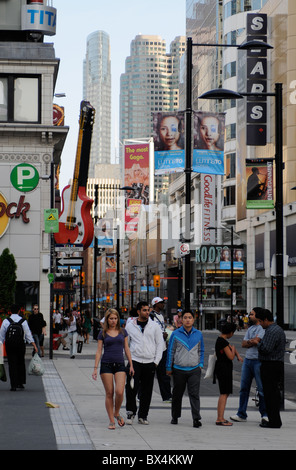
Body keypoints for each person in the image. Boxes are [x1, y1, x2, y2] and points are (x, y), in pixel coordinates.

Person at [92, 308, 134, 430]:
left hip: (120, 364)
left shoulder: (123, 332)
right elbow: (99, 351)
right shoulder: (103, 333)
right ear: (107, 319)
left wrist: (131, 365)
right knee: (109, 393)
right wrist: (95, 368)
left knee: (120, 392)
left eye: (115, 318)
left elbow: (127, 349)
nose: (113, 321)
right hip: (106, 364)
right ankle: (111, 420)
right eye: (111, 318)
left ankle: (116, 412)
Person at [125, 301, 163, 425]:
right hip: (134, 361)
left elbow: (160, 344)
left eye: (148, 310)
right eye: (144, 310)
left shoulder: (155, 326)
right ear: (138, 311)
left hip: (149, 362)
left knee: (147, 390)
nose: (147, 312)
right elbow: (126, 344)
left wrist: (156, 362)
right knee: (131, 388)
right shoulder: (130, 325)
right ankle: (131, 412)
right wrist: (128, 361)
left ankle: (143, 415)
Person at [166, 309, 204, 428]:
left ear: (193, 319)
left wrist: (200, 364)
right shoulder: (176, 334)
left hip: (194, 369)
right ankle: (175, 416)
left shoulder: (198, 334)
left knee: (194, 394)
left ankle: (196, 418)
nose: (187, 320)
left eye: (190, 317)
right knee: (177, 394)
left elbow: (201, 350)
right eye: (185, 317)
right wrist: (168, 366)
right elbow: (170, 351)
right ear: (181, 320)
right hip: (178, 369)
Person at [230, 308, 268, 424]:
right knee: (244, 388)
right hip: (248, 360)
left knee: (261, 389)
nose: (249, 316)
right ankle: (241, 413)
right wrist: (252, 342)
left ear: (258, 316)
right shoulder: (251, 328)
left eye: (251, 314)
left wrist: (250, 342)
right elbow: (243, 344)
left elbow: (257, 341)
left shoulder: (262, 328)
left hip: (258, 360)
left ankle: (265, 414)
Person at [254, 308, 286, 428]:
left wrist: (258, 343)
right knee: (273, 393)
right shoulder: (277, 329)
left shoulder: (272, 331)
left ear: (266, 320)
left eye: (261, 322)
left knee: (270, 394)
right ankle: (275, 420)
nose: (260, 325)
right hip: (276, 364)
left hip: (271, 365)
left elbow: (266, 349)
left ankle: (274, 421)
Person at [0, 304, 38, 391]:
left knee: (11, 363)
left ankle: (13, 385)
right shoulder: (23, 321)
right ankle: (20, 383)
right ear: (19, 311)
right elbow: (28, 334)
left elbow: (1, 336)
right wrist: (34, 345)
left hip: (9, 345)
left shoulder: (6, 321)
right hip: (20, 344)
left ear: (10, 311)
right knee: (20, 362)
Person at [214, 321, 243, 426]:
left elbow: (230, 350)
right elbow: (230, 356)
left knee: (224, 393)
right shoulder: (224, 342)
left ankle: (220, 417)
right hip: (224, 369)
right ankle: (220, 418)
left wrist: (238, 355)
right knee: (224, 394)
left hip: (221, 368)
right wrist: (234, 350)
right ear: (230, 332)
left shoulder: (220, 339)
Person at [150, 297, 172, 402]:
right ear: (156, 304)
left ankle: (167, 396)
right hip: (153, 349)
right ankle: (141, 395)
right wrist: (160, 335)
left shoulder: (161, 316)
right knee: (148, 374)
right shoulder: (151, 316)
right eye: (161, 303)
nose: (163, 304)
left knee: (163, 374)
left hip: (162, 348)